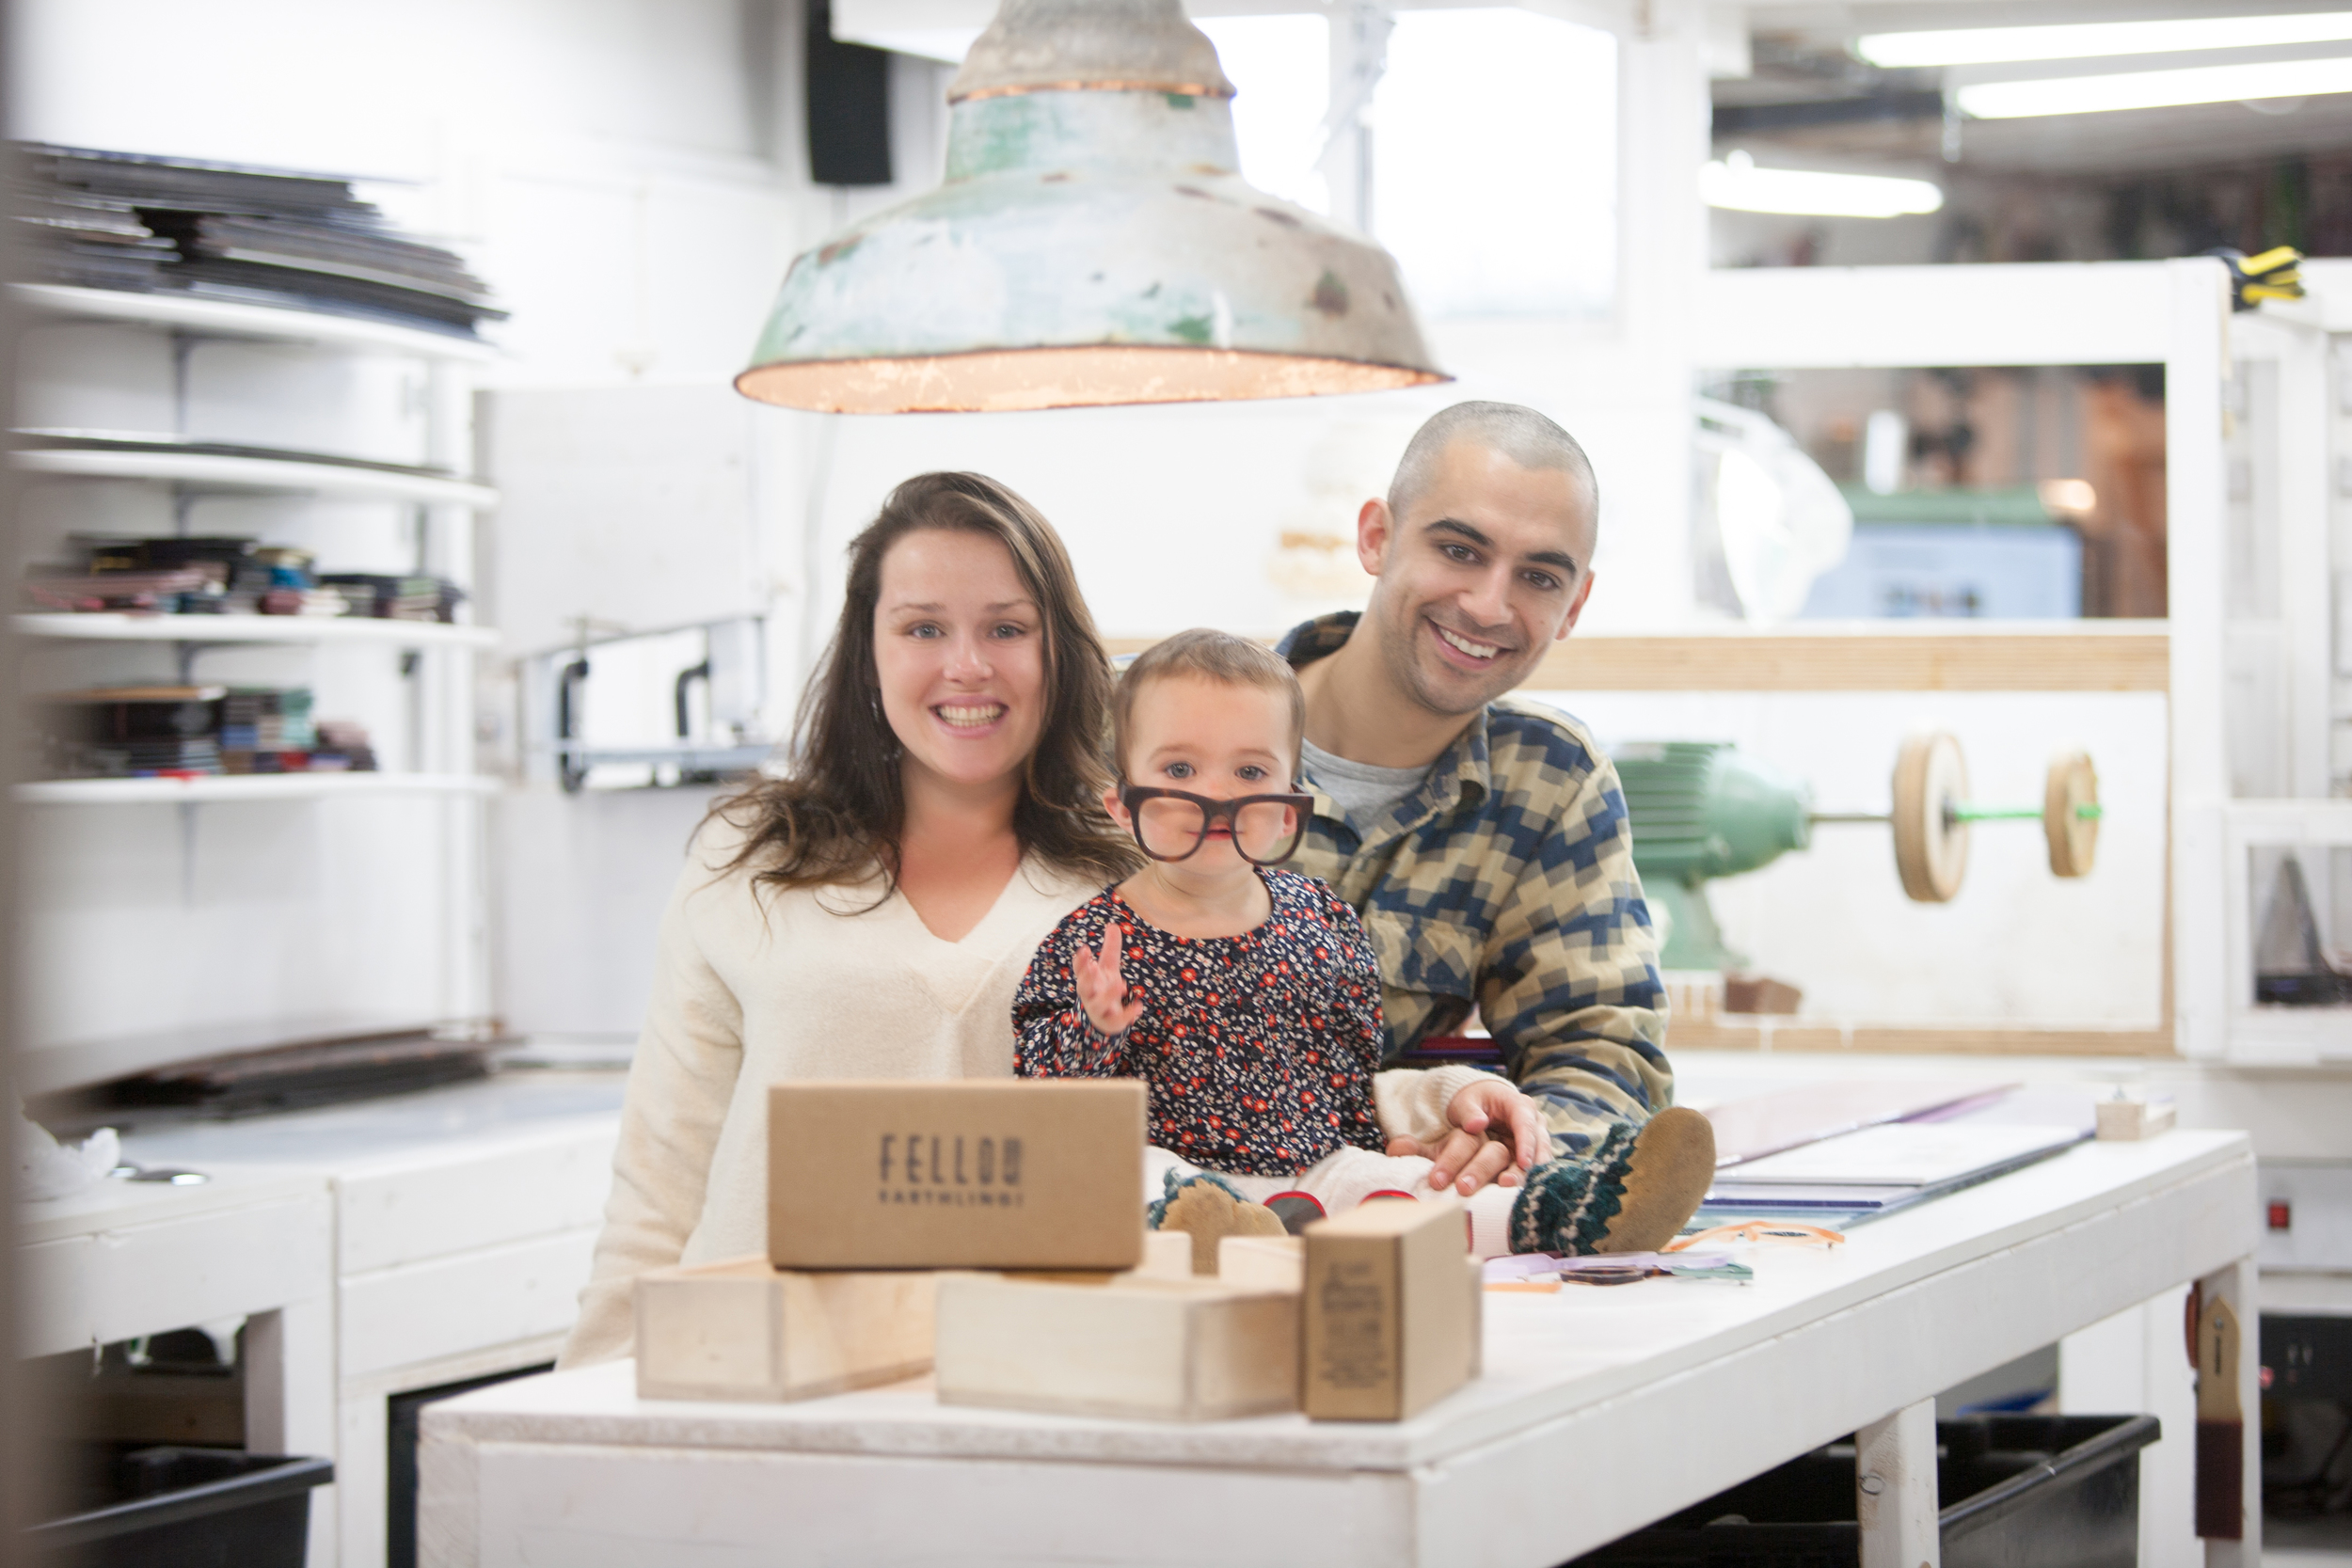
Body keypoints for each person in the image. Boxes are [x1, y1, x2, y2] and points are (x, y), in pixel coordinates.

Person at [562, 472, 1540, 1367]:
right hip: (754, 1363)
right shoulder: (748, 855)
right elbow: (663, 1164)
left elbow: (1264, 1090)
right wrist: (591, 1382)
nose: (967, 666)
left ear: (1057, 649)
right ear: (867, 647)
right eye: (920, 628)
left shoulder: (1151, 865)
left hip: (1041, 1369)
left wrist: (1444, 1094)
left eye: (1005, 627)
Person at [1015, 629, 1710, 1259]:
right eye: (1179, 771)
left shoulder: (1323, 923)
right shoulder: (1090, 941)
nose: (1217, 796)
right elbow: (1048, 1103)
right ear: (1120, 801)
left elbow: (1348, 1084)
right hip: (1176, 1173)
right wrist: (1091, 1027)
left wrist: (1448, 1093)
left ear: (1295, 795)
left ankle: (1574, 1212)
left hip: (1317, 1171)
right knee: (1129, 1178)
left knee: (1417, 1181)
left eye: (1250, 773)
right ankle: (1225, 1232)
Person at [1277, 401, 1715, 1231]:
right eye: (1457, 549)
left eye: (1539, 577)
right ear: (1376, 537)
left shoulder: (1550, 780)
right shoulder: (1149, 724)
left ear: (1576, 605)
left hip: (1385, 1216)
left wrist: (1511, 1147)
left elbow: (1602, 1049)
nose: (1487, 604)